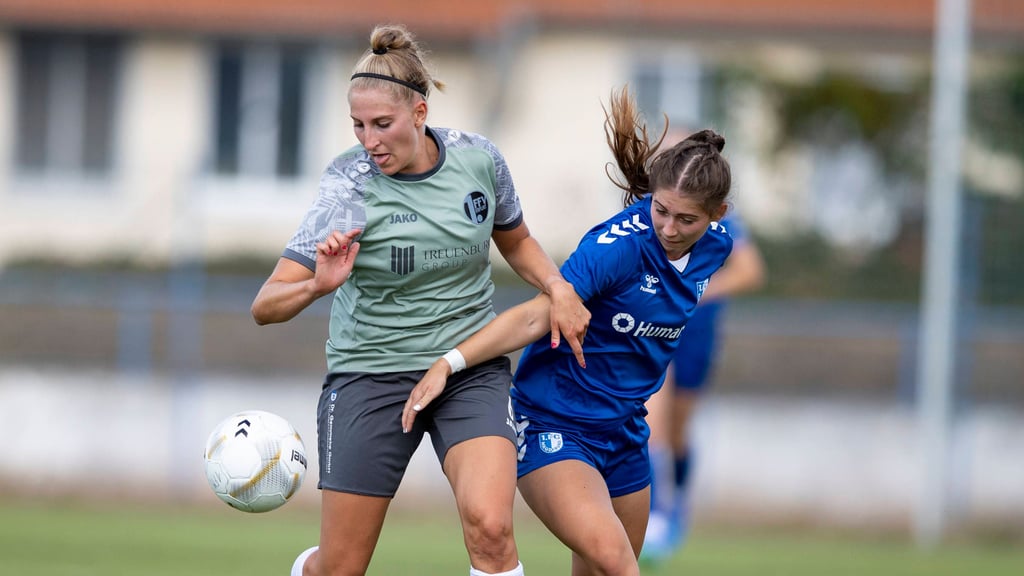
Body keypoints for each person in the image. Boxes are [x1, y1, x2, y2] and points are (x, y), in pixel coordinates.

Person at [250, 24, 590, 576]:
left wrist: (557, 286)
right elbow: (265, 304)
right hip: (370, 372)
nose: (369, 140)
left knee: (492, 528)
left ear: (420, 112)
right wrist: (318, 284)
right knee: (341, 567)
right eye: (358, 126)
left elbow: (518, 241)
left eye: (382, 124)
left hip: (469, 368)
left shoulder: (480, 161)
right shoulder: (348, 184)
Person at [402, 86, 735, 576]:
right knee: (620, 564)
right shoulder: (615, 249)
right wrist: (450, 362)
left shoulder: (717, 248)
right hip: (555, 425)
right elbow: (537, 315)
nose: (667, 227)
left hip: (625, 431)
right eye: (660, 210)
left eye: (686, 219)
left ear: (716, 216)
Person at [641, 206, 765, 562]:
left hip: (696, 335)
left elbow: (750, 272)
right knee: (653, 424)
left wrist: (696, 289)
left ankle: (677, 500)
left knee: (678, 433)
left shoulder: (721, 218)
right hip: (655, 331)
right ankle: (655, 516)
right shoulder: (655, 207)